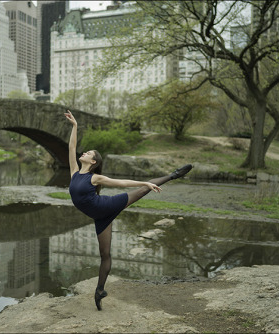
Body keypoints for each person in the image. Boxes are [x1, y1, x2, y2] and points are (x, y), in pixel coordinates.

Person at [64, 110, 193, 311]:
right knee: (104, 254)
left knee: (142, 190)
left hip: (107, 206)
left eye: (88, 153)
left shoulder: (94, 178)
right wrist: (75, 126)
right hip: (100, 218)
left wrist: (145, 182)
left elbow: (121, 183)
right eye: (86, 151)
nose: (84, 153)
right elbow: (71, 147)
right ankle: (99, 291)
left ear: (93, 162)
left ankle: (173, 175)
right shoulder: (74, 172)